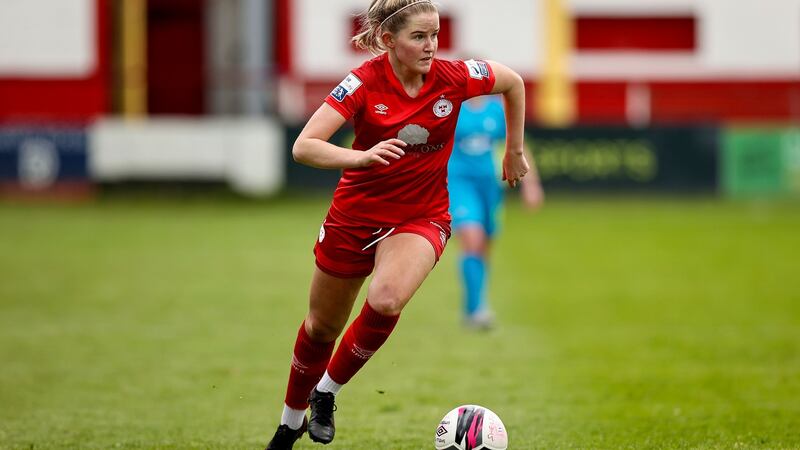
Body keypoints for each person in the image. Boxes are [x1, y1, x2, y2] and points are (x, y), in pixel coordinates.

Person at [265, 0, 531, 448]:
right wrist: (361, 157)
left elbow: (513, 82)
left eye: (435, 35)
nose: (431, 46)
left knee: (386, 299)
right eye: (419, 37)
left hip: (421, 216)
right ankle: (289, 424)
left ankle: (326, 393)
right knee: (321, 328)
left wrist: (514, 150)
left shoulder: (455, 77)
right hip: (355, 217)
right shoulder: (362, 83)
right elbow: (304, 146)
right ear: (389, 40)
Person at [448, 95, 544, 330]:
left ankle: (475, 305)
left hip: (490, 185)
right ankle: (475, 310)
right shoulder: (452, 107)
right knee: (472, 239)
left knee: (484, 245)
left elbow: (518, 146)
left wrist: (531, 184)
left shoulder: (497, 110)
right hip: (459, 183)